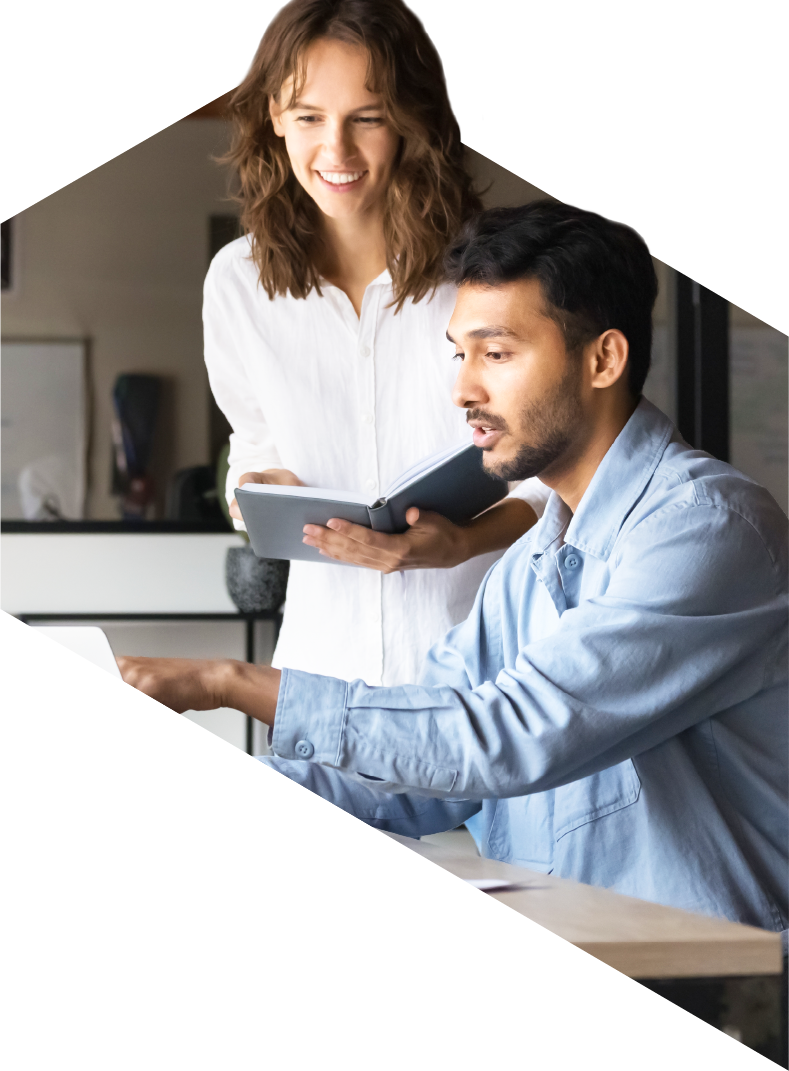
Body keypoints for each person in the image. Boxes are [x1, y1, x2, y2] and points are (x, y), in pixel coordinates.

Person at [122, 199, 789, 937]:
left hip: (720, 999)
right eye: (458, 353)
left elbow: (502, 737)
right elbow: (417, 763)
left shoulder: (704, 529)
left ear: (603, 358)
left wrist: (230, 683)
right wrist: (185, 804)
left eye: (495, 354)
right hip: (587, 972)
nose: (462, 390)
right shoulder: (525, 567)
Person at [205, 0, 547, 688]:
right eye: (307, 116)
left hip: (484, 682)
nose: (336, 150)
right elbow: (255, 447)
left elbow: (555, 474)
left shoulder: (491, 272)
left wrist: (461, 544)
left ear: (410, 118)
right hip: (320, 680)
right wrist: (255, 487)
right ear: (273, 114)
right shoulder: (238, 283)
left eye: (366, 117)